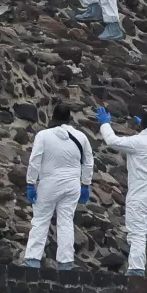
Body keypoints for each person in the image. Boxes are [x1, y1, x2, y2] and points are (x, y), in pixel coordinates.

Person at [95, 107, 147, 278]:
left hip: (140, 193)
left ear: (143, 126)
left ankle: (136, 269)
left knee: (137, 232)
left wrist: (105, 124)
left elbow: (112, 141)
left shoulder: (138, 142)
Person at [24, 104, 94, 270]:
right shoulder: (81, 137)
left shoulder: (43, 135)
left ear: (52, 117)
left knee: (40, 221)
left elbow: (35, 160)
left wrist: (30, 183)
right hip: (72, 185)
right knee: (66, 223)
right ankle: (65, 263)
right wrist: (85, 184)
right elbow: (89, 163)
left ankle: (32, 261)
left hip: (49, 183)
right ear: (69, 118)